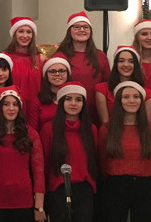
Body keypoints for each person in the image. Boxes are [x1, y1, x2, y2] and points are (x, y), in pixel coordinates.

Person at [0, 85, 45, 222]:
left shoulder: (31, 134)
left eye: (15, 104)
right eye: (6, 104)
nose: (11, 108)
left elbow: (38, 173)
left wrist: (39, 207)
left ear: (19, 108)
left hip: (23, 201)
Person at [97, 81, 151, 222]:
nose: (131, 100)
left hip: (146, 186)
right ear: (119, 101)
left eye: (136, 97)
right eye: (126, 97)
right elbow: (102, 160)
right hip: (115, 186)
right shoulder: (106, 130)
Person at [39, 82, 97, 222]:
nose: (73, 103)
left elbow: (94, 160)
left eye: (78, 99)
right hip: (58, 190)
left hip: (84, 189)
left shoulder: (91, 129)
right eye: (68, 99)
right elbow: (44, 164)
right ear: (61, 102)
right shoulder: (48, 129)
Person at [54, 11, 110, 125]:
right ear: (70, 30)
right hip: (68, 112)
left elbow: (107, 85)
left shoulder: (100, 56)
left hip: (95, 111)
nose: (82, 30)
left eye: (85, 27)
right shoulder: (60, 57)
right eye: (77, 27)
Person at [95, 46, 151, 125]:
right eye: (121, 61)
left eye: (131, 61)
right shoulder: (102, 90)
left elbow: (146, 125)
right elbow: (105, 124)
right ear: (115, 64)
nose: (126, 65)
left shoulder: (147, 94)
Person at [27, 57, 72, 133]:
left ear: (68, 73)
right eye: (52, 71)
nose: (57, 74)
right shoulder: (37, 101)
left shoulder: (76, 98)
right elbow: (32, 131)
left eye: (61, 71)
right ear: (46, 75)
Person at [5, 17, 44, 102]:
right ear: (14, 34)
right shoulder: (5, 58)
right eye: (21, 31)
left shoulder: (41, 59)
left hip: (35, 106)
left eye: (29, 32)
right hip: (12, 107)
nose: (25, 35)